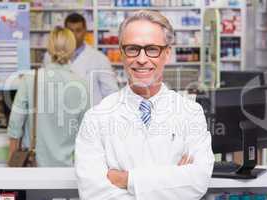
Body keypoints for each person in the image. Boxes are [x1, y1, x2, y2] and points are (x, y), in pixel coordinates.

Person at [75, 10, 214, 200]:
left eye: (152, 49)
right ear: (122, 53)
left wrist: (127, 179)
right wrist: (174, 181)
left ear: (167, 53)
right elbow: (93, 193)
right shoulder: (96, 117)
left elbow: (198, 180)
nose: (141, 59)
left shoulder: (191, 112)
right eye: (133, 48)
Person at [8, 27, 89, 167]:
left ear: (49, 48)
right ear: (72, 48)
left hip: (34, 165)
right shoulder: (82, 85)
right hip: (68, 169)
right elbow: (86, 132)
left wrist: (12, 162)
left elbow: (15, 125)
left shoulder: (30, 79)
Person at [43, 13, 119, 106]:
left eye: (78, 30)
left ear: (85, 31)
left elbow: (111, 92)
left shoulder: (99, 58)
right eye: (71, 31)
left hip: (90, 116)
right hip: (59, 114)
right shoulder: (50, 56)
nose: (74, 35)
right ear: (65, 32)